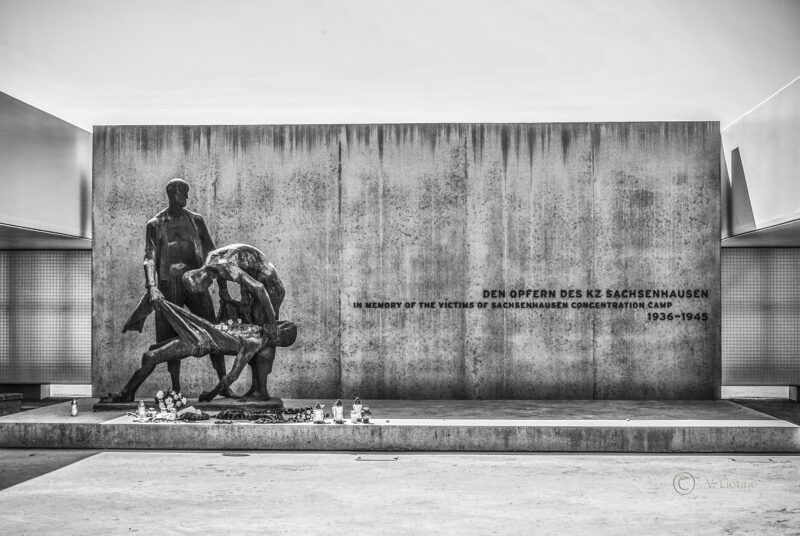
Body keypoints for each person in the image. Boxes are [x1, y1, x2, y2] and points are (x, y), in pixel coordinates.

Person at [119, 178, 235, 400]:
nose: (188, 197)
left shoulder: (196, 221)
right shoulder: (155, 224)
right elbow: (149, 257)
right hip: (168, 284)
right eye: (185, 192)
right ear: (174, 194)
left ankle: (224, 384)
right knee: (170, 337)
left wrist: (223, 288)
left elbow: (213, 254)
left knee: (213, 331)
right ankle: (175, 388)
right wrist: (152, 287)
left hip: (195, 282)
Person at [183, 243, 284, 401]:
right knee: (252, 332)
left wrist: (272, 322)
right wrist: (225, 293)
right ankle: (255, 388)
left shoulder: (223, 266)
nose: (204, 289)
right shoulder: (211, 262)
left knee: (262, 335)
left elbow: (258, 288)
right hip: (260, 282)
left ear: (198, 276)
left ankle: (261, 391)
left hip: (269, 287)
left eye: (199, 288)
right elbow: (236, 272)